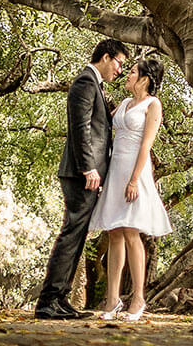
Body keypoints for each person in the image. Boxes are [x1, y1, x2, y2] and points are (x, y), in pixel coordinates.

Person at [34, 39, 129, 320]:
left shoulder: (94, 84)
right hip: (80, 174)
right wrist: (89, 168)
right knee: (71, 233)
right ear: (106, 57)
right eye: (119, 63)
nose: (120, 70)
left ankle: (59, 299)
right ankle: (48, 301)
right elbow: (79, 129)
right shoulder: (85, 82)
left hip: (86, 174)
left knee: (77, 235)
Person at [91, 57, 172, 321]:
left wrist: (135, 180)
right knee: (114, 232)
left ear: (145, 79)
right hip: (116, 171)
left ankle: (138, 298)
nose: (127, 74)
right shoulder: (125, 103)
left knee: (131, 233)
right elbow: (105, 123)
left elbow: (146, 145)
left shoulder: (153, 105)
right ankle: (112, 300)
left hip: (135, 172)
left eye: (133, 72)